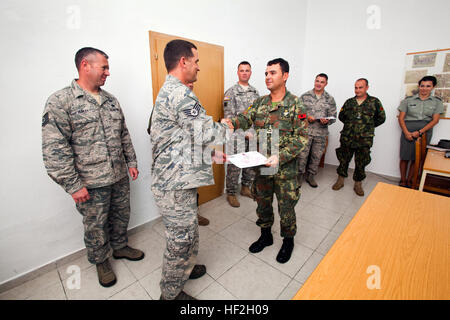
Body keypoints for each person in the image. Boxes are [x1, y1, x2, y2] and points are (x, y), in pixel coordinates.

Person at [42, 47, 144, 288]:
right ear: (85, 65)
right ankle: (101, 261)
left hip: (118, 175)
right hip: (89, 182)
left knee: (121, 215)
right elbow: (54, 149)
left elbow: (124, 134)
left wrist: (131, 162)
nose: (108, 72)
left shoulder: (110, 101)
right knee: (96, 224)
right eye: (104, 67)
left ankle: (119, 247)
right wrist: (73, 185)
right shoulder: (61, 101)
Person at [148, 39, 230, 300]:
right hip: (174, 185)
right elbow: (205, 131)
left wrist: (210, 154)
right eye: (195, 62)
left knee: (189, 232)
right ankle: (169, 294)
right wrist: (227, 126)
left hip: (178, 179)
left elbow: (181, 137)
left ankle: (186, 268)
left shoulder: (170, 91)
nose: (198, 68)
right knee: (180, 241)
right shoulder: (179, 94)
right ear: (183, 62)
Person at [224, 58, 308, 264]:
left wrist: (281, 156)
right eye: (266, 73)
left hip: (285, 169)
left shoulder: (296, 104)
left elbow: (302, 137)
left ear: (285, 76)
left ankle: (288, 241)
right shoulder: (261, 103)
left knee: (286, 207)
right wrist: (230, 122)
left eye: (273, 73)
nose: (268, 77)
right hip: (262, 167)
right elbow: (245, 118)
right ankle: (266, 236)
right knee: (262, 203)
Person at [332, 78, 386, 196]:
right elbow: (342, 116)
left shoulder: (374, 102)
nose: (357, 90)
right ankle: (340, 180)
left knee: (361, 161)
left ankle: (358, 183)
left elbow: (381, 118)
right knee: (343, 159)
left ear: (367, 87)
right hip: (348, 137)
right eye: (356, 87)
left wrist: (368, 127)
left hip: (364, 138)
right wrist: (351, 126)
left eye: (360, 87)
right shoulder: (349, 102)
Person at [223, 61, 260, 207]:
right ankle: (231, 193)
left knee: (250, 163)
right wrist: (244, 133)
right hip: (237, 136)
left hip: (252, 135)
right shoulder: (230, 92)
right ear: (237, 72)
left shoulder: (255, 92)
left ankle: (245, 187)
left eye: (247, 70)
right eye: (242, 70)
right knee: (234, 165)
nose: (244, 73)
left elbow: (258, 114)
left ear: (251, 73)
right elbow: (229, 118)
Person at [397, 76, 443, 187]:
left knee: (416, 158)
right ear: (419, 86)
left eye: (428, 86)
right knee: (404, 156)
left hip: (424, 133)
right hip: (407, 131)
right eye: (422, 86)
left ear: (433, 87)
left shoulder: (436, 102)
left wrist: (420, 132)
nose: (424, 88)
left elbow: (435, 120)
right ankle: (403, 180)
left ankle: (410, 180)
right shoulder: (408, 100)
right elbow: (401, 118)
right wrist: (407, 132)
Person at [298, 73, 336, 187]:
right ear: (314, 81)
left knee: (316, 156)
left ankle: (311, 176)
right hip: (306, 132)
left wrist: (327, 121)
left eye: (322, 82)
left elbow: (333, 117)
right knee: (302, 156)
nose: (319, 84)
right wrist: (306, 117)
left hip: (321, 133)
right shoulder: (305, 96)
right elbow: (297, 114)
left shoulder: (330, 99)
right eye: (317, 81)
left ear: (326, 84)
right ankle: (299, 176)